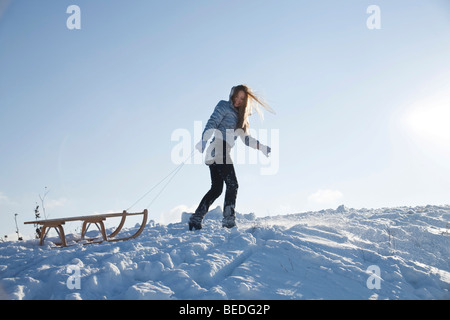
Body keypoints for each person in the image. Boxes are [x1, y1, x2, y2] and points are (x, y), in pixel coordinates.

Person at [189, 85, 274, 230]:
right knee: (232, 184)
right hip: (218, 147)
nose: (238, 100)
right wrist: (204, 139)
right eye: (237, 96)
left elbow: (247, 139)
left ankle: (196, 218)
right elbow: (213, 122)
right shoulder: (223, 106)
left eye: (242, 99)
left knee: (216, 189)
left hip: (218, 151)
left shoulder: (241, 120)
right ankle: (228, 220)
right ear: (232, 94)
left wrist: (261, 147)